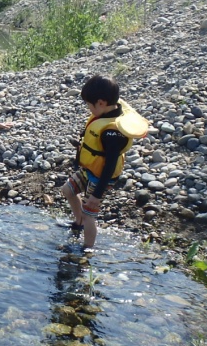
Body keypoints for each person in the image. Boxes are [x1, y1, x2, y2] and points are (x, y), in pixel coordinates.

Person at [60, 75, 147, 249]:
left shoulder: (112, 132)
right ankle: (79, 223)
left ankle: (87, 250)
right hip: (89, 169)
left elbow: (110, 165)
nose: (88, 109)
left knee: (90, 212)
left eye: (89, 105)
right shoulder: (106, 113)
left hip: (101, 177)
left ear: (101, 103)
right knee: (68, 190)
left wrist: (96, 195)